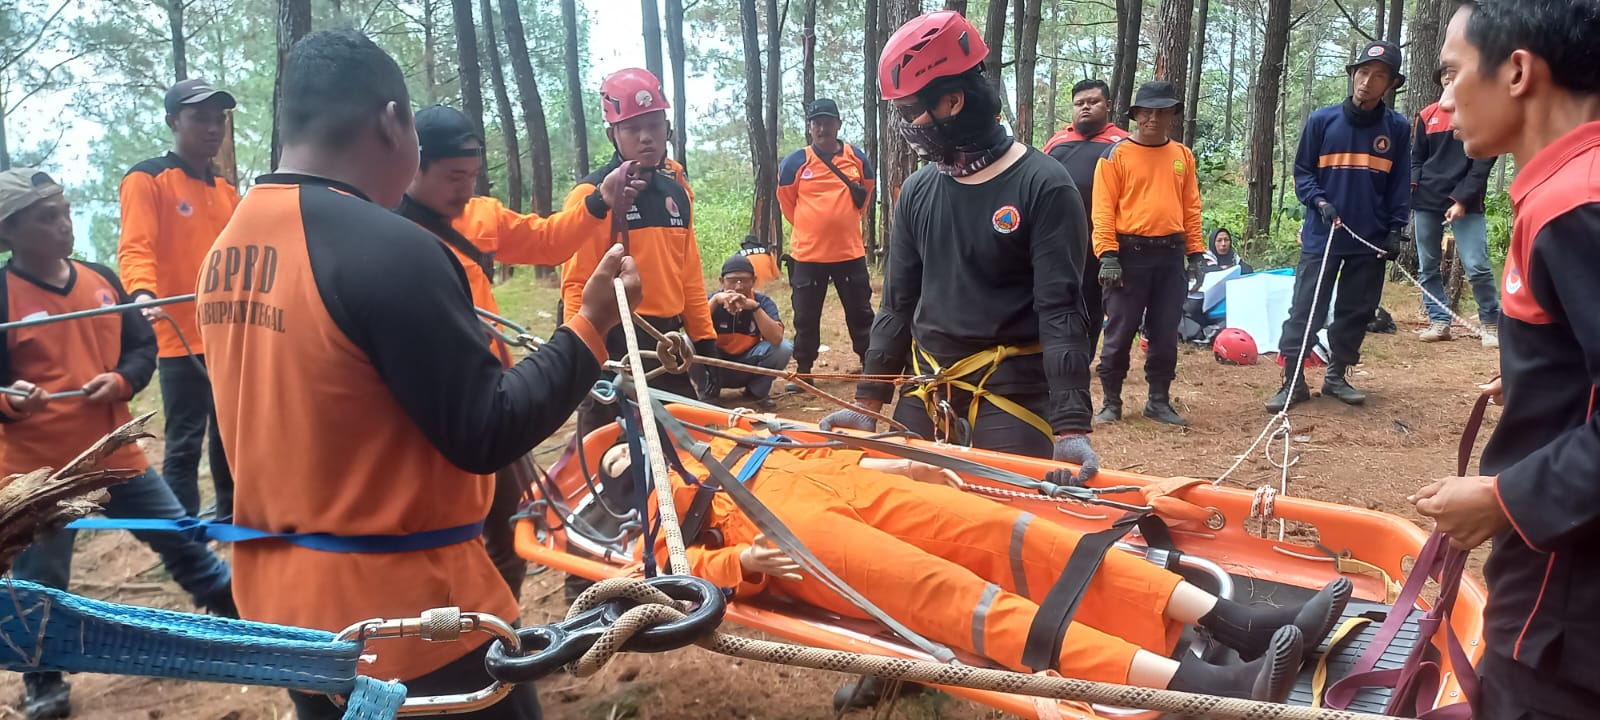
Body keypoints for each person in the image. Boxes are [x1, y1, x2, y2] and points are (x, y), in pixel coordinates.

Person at [194, 29, 640, 720]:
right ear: (393, 121)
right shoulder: (387, 248)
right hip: (415, 628)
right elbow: (486, 430)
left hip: (287, 619)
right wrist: (592, 325)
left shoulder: (227, 249)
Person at [604, 428, 1350, 702]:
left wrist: (853, 451)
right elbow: (685, 575)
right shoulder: (659, 522)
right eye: (614, 466)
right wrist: (738, 559)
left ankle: (1241, 621)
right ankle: (1207, 687)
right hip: (794, 539)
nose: (624, 461)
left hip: (847, 483)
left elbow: (795, 443)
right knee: (967, 604)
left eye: (623, 452)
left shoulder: (700, 435)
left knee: (1020, 533)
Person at [1410, 2, 1600, 717]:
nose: (1444, 100)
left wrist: (1502, 499)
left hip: (1567, 617)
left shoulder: (1575, 203)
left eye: (1454, 74)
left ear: (1517, 70)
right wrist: (1535, 370)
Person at [820, 11, 1099, 481]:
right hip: (927, 382)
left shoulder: (1044, 185)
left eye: (911, 112)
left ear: (952, 101)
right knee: (897, 504)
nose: (906, 126)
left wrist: (1070, 426)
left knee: (995, 517)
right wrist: (868, 403)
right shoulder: (917, 190)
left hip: (1011, 390)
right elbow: (897, 304)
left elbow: (1062, 310)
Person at [0, 168, 236, 720]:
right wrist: (13, 400)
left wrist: (125, 380)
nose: (64, 226)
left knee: (181, 538)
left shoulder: (101, 279)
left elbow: (140, 345)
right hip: (40, 475)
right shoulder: (3, 297)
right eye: (47, 218)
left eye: (64, 212)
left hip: (118, 455)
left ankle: (238, 623)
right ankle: (43, 680)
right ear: (9, 233)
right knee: (42, 580)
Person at [395, 104, 643, 599]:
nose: (464, 188)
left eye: (471, 175)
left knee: (509, 529)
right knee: (438, 539)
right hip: (425, 412)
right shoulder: (386, 234)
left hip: (491, 397)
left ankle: (498, 639)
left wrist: (599, 203)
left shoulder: (480, 215)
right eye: (452, 177)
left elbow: (546, 242)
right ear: (411, 167)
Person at [117, 78, 239, 521]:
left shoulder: (225, 190)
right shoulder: (147, 179)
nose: (212, 128)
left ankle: (230, 514)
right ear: (173, 122)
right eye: (199, 118)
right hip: (178, 334)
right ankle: (183, 532)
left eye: (218, 119)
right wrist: (142, 291)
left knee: (230, 432)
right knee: (186, 437)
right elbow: (135, 246)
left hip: (229, 331)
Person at [1266, 41, 1411, 413]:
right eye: (1363, 72)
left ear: (1391, 84)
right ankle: (1293, 381)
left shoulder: (1397, 128)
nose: (1367, 82)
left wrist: (1395, 230)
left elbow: (1399, 185)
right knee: (1305, 309)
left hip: (1370, 240)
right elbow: (1302, 173)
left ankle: (1336, 376)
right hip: (1322, 235)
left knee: (1356, 310)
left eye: (1378, 76)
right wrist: (1320, 202)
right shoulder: (1322, 121)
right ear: (1353, 75)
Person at [560, 67, 717, 409]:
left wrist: (705, 342)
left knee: (689, 450)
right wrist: (580, 353)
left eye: (654, 125)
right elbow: (576, 283)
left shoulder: (677, 193)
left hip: (666, 345)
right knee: (612, 455)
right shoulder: (591, 196)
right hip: (614, 346)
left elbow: (688, 274)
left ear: (668, 129)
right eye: (632, 128)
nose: (646, 137)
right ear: (611, 134)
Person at [1089, 80, 1206, 427]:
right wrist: (1107, 253)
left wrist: (1196, 252)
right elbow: (1103, 209)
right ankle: (1111, 400)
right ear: (1136, 115)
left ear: (1172, 115)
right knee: (1120, 331)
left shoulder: (1182, 156)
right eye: (1147, 111)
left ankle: (1158, 400)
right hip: (1128, 256)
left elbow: (1191, 207)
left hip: (1170, 256)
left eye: (1162, 111)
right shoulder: (1116, 155)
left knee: (1165, 330)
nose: (1154, 118)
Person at [777, 98, 876, 380]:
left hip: (849, 252)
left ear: (838, 125)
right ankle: (805, 371)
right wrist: (812, 226)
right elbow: (787, 201)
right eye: (817, 122)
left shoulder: (857, 158)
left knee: (860, 313)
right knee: (805, 317)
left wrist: (841, 221)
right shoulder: (795, 161)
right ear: (810, 127)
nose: (823, 128)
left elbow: (865, 193)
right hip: (808, 256)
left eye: (828, 122)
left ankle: (870, 366)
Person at [1043, 78, 1131, 354]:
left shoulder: (1123, 143)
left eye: (1092, 102)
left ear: (1108, 105)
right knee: (1056, 295)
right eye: (1079, 103)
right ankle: (1052, 351)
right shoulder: (1057, 143)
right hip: (1058, 237)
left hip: (1103, 238)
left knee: (1093, 300)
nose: (1085, 108)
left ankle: (1085, 353)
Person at [1412, 89, 1500, 347]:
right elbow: (1416, 157)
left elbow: (1483, 163)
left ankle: (1491, 324)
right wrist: (1414, 186)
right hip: (1427, 201)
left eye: (1455, 74)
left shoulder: (1481, 115)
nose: (1449, 80)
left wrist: (1461, 200)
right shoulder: (1427, 115)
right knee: (1427, 266)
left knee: (1477, 266)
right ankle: (1440, 321)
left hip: (1468, 202)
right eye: (1445, 75)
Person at [707, 254, 792, 411]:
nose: (738, 287)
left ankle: (756, 392)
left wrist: (755, 308)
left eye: (744, 281)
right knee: (687, 341)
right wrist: (715, 302)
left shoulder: (763, 302)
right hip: (715, 364)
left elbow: (776, 338)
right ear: (721, 282)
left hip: (747, 364)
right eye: (732, 281)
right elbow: (693, 330)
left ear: (753, 281)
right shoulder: (711, 300)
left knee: (784, 348)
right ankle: (707, 393)